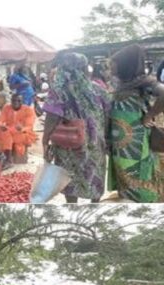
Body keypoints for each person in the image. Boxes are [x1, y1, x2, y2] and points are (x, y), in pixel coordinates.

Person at [42, 52, 111, 204]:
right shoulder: (98, 89)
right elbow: (108, 114)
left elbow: (52, 117)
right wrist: (105, 136)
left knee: (69, 175)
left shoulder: (59, 91)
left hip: (68, 143)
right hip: (94, 142)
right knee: (94, 173)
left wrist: (45, 140)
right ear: (85, 68)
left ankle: (71, 204)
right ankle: (95, 204)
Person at [108, 44, 164, 202]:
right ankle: (128, 198)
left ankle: (143, 201)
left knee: (138, 171)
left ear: (125, 64)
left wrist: (149, 116)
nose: (111, 67)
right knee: (123, 171)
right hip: (119, 140)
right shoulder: (121, 83)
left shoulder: (144, 82)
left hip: (136, 139)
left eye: (113, 63)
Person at [0, 94, 37, 169]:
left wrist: (22, 128)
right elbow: (0, 120)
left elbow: (29, 126)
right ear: (11, 101)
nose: (16, 103)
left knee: (6, 132)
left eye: (18, 101)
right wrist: (1, 125)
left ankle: (8, 160)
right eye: (14, 101)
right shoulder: (7, 107)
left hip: (22, 135)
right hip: (6, 131)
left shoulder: (28, 110)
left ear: (22, 102)